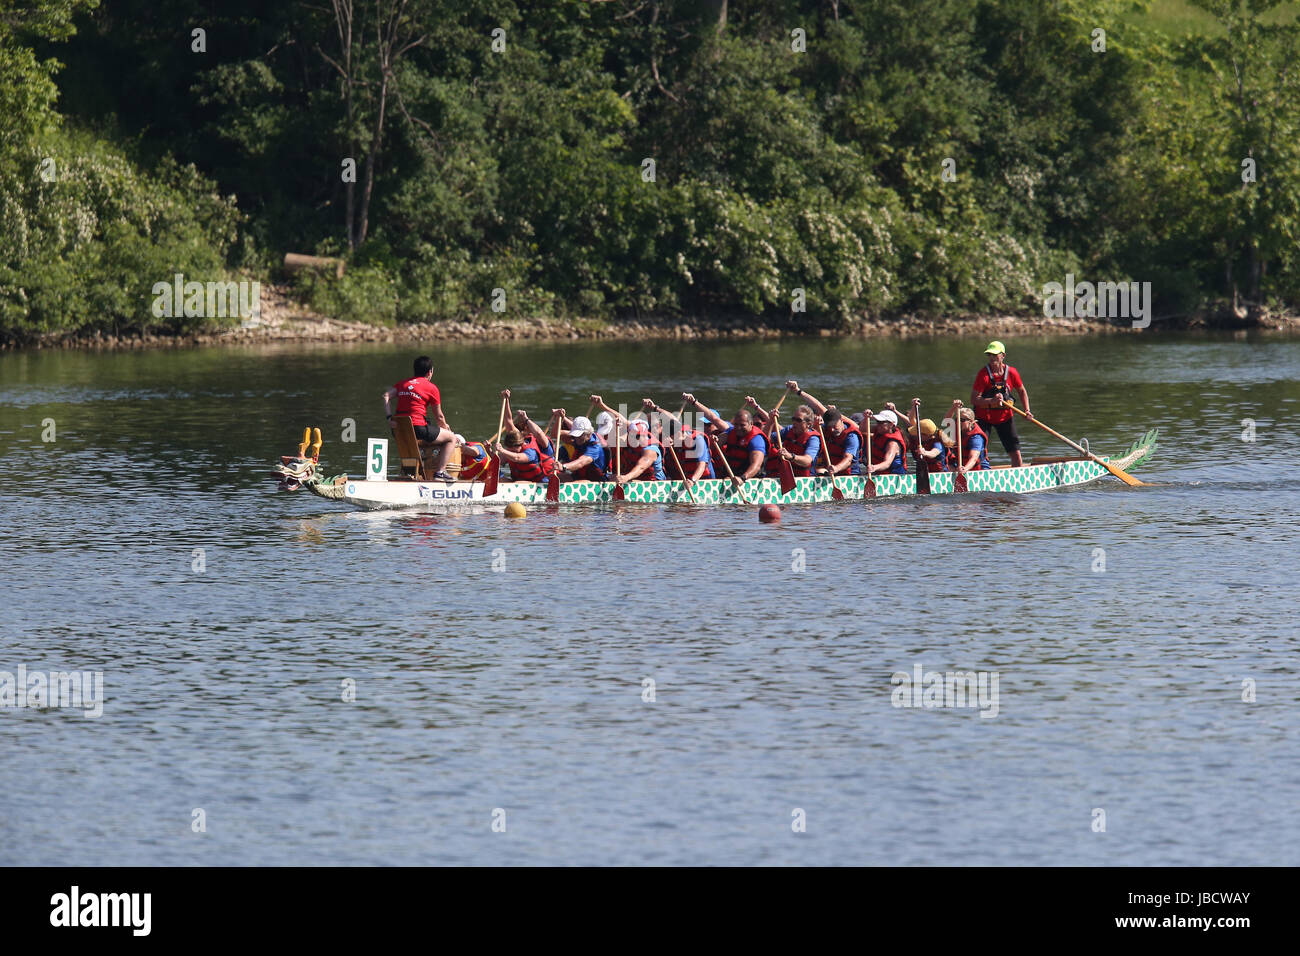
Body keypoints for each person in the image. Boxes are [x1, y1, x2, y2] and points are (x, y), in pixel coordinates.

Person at [382, 355, 455, 480]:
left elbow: (385, 396)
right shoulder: (431, 387)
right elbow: (439, 416)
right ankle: (440, 472)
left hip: (398, 429)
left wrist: (389, 418)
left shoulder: (403, 384)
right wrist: (446, 429)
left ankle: (411, 473)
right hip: (417, 428)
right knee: (451, 439)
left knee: (425, 439)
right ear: (430, 372)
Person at [684, 394, 767, 488]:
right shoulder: (731, 432)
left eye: (742, 425)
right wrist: (694, 402)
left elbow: (756, 465)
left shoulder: (756, 439)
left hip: (749, 479)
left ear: (751, 424)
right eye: (736, 424)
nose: (738, 428)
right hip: (731, 476)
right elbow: (713, 418)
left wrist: (742, 478)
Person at [971, 341, 1031, 467]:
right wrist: (991, 401)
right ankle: (979, 473)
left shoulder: (1012, 372)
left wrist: (1027, 410)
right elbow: (974, 399)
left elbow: (1022, 391)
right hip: (983, 418)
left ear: (1003, 355)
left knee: (1015, 452)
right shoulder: (983, 375)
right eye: (989, 355)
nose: (992, 358)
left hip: (1005, 417)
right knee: (978, 450)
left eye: (995, 355)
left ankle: (1018, 477)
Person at [785, 381, 861, 475]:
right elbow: (818, 406)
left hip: (849, 477)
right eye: (830, 426)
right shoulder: (827, 426)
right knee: (819, 470)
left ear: (841, 420)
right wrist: (798, 391)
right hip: (830, 472)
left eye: (834, 426)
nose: (832, 430)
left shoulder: (852, 436)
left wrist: (836, 468)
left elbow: (848, 459)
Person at [590, 395, 667, 482]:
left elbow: (641, 467)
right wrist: (601, 405)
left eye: (640, 435)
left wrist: (626, 478)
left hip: (653, 484)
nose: (639, 439)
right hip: (628, 479)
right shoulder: (623, 440)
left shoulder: (651, 448)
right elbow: (620, 418)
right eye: (636, 436)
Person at [642, 399, 715, 483]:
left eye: (672, 437)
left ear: (679, 432)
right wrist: (654, 407)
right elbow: (672, 419)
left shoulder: (697, 440)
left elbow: (701, 465)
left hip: (703, 482)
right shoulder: (667, 438)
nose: (670, 440)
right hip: (680, 482)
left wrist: (692, 480)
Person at [554, 414, 608, 481]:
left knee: (576, 483)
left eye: (579, 435)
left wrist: (563, 467)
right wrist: (562, 417)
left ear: (588, 434)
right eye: (575, 435)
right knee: (554, 477)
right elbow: (555, 434)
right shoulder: (581, 438)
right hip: (579, 476)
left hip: (595, 481)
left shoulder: (595, 447)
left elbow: (581, 462)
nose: (576, 438)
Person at [948, 402, 991, 472]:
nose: (958, 422)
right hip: (961, 467)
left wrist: (964, 469)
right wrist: (954, 407)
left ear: (970, 421)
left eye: (962, 420)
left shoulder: (976, 437)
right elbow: (947, 420)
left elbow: (973, 458)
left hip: (979, 471)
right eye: (957, 419)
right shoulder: (958, 428)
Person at [864, 409, 908, 475]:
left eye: (881, 422)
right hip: (880, 473)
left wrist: (874, 468)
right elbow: (862, 429)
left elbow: (887, 463)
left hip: (893, 476)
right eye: (878, 422)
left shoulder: (893, 443)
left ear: (891, 424)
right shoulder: (879, 430)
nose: (878, 425)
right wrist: (866, 418)